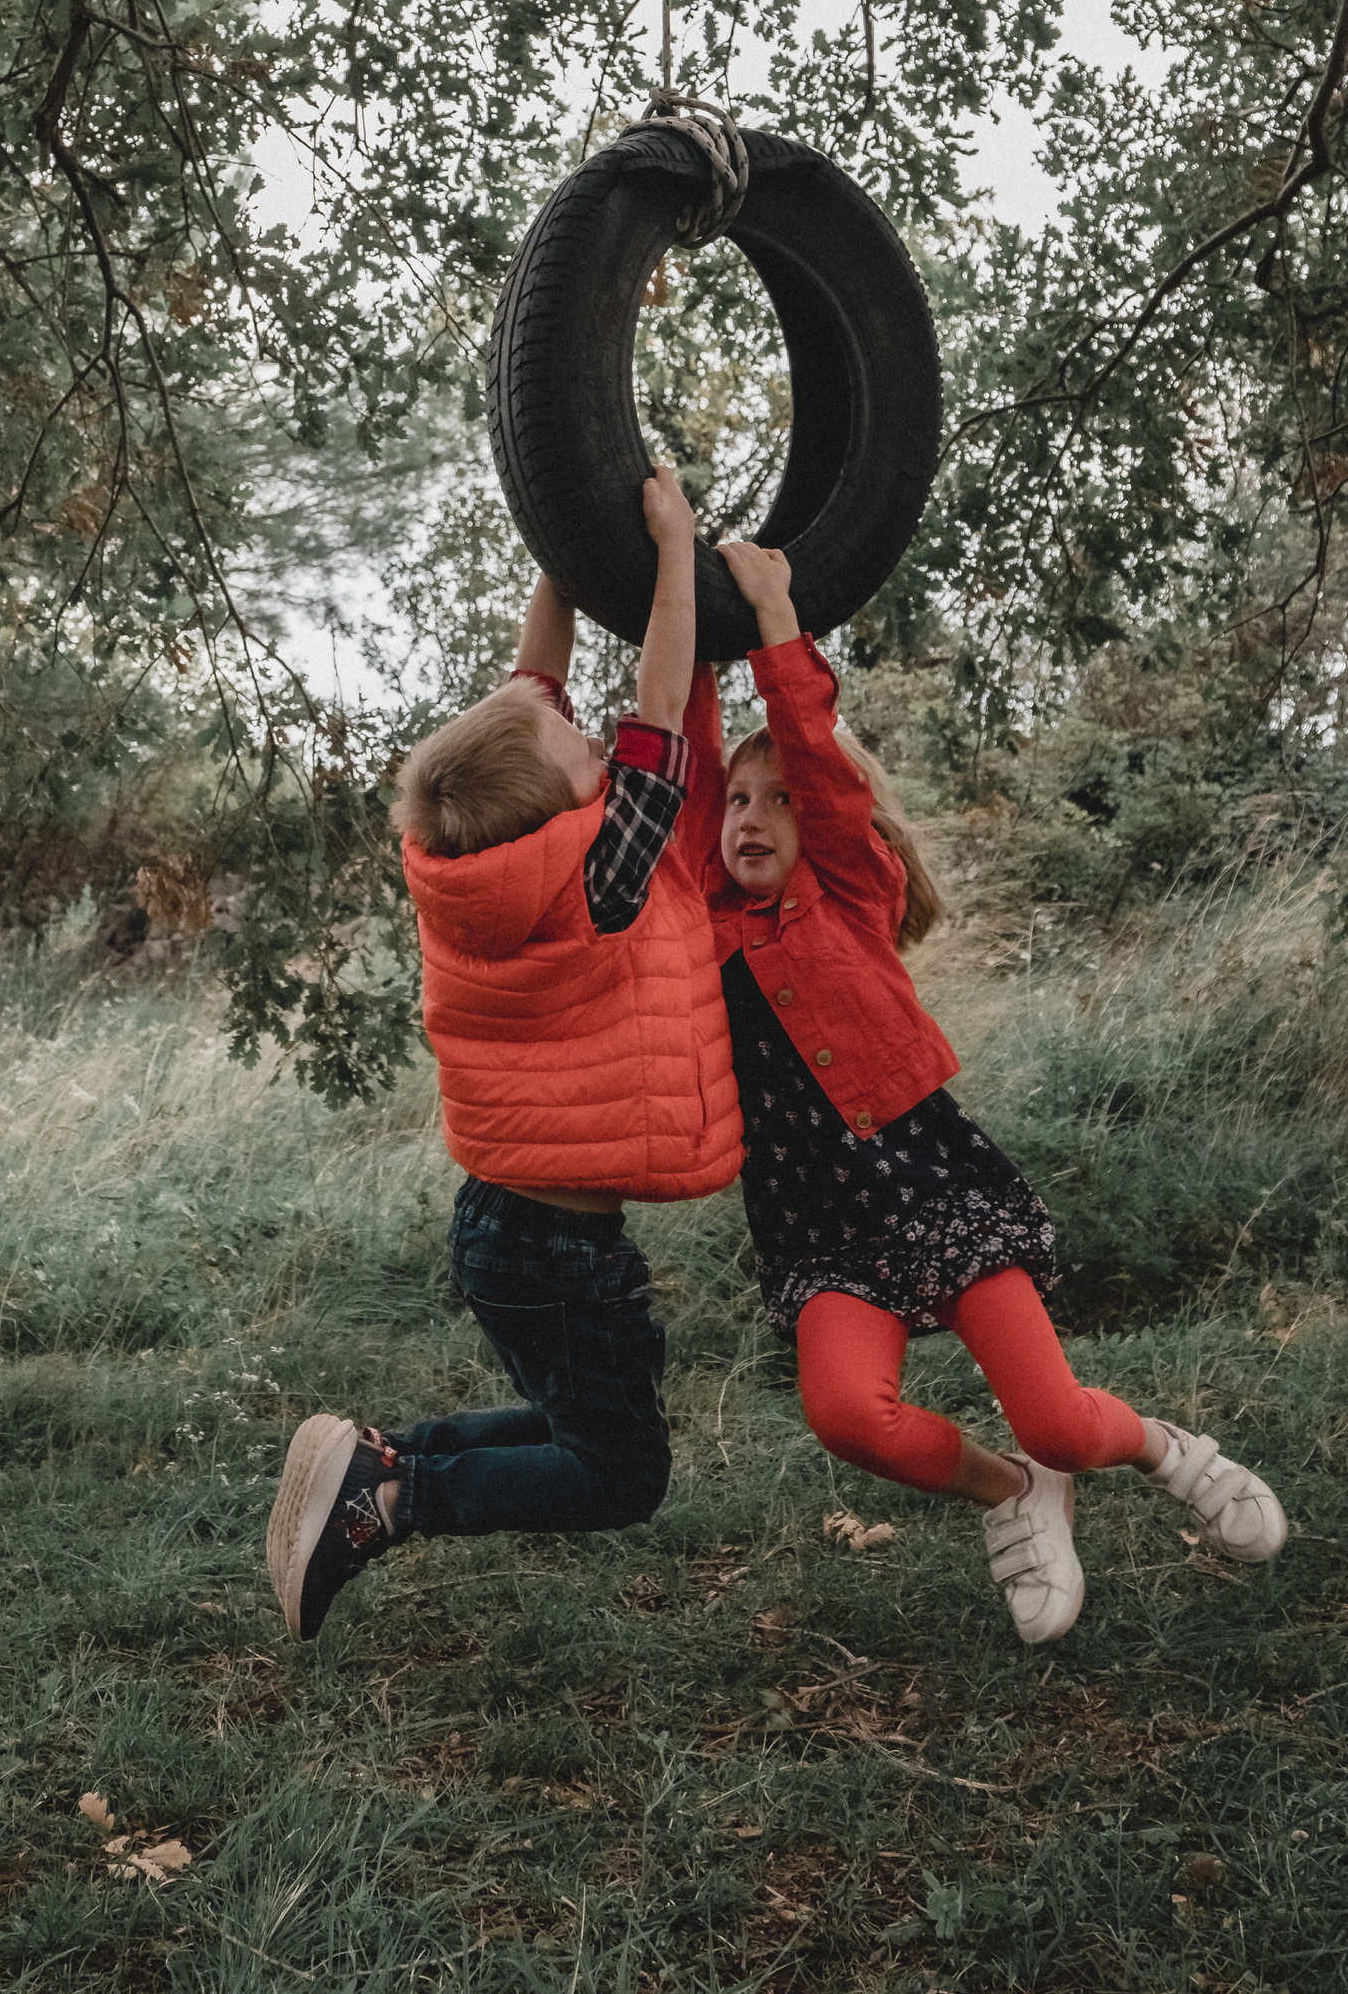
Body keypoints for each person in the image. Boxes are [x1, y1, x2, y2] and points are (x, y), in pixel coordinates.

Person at [705, 534, 1285, 1644]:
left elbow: (819, 764)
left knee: (1062, 1422)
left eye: (775, 799)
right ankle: (1009, 1493)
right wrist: (675, 605)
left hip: (929, 1186)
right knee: (846, 1420)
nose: (749, 817)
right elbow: (681, 780)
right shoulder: (708, 929)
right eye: (737, 799)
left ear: (828, 825)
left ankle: (1171, 1453)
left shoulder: (849, 896)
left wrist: (776, 619)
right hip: (815, 1225)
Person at [268, 468, 741, 1639]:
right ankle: (399, 1496)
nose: (595, 740)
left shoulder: (460, 865)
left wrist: (568, 549)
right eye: (587, 751)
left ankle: (379, 1459)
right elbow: (663, 699)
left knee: (573, 1426)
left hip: (506, 1225)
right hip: (553, 1245)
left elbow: (535, 681)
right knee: (618, 1474)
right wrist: (671, 550)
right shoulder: (598, 872)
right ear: (563, 806)